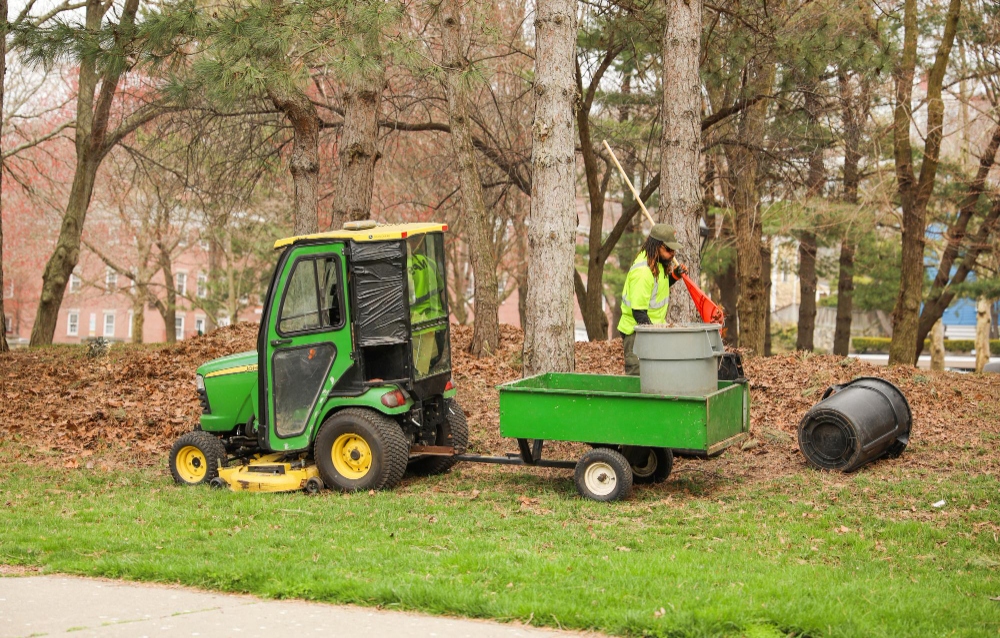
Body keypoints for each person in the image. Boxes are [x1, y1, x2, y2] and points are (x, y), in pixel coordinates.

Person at [617, 223, 688, 375]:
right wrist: (653, 337)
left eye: (674, 249)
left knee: (655, 377)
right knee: (639, 380)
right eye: (668, 250)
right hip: (637, 333)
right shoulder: (643, 272)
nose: (672, 254)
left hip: (650, 330)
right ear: (657, 246)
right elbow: (639, 312)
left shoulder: (658, 263)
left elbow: (657, 289)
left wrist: (674, 276)